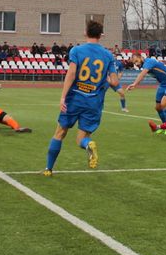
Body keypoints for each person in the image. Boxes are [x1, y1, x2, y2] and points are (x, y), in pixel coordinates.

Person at [45, 21, 118, 176]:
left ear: (86, 32)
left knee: (60, 133)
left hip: (74, 99)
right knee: (81, 139)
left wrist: (63, 97)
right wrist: (105, 82)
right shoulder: (108, 55)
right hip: (94, 102)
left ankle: (48, 169)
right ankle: (88, 144)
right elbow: (115, 82)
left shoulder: (77, 50)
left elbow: (71, 74)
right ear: (101, 35)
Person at [127, 51, 166, 126]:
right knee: (158, 107)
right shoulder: (144, 65)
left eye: (136, 61)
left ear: (141, 57)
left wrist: (134, 84)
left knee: (164, 103)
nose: (136, 64)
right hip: (163, 85)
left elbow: (143, 73)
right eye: (134, 63)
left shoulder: (149, 61)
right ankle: (164, 125)